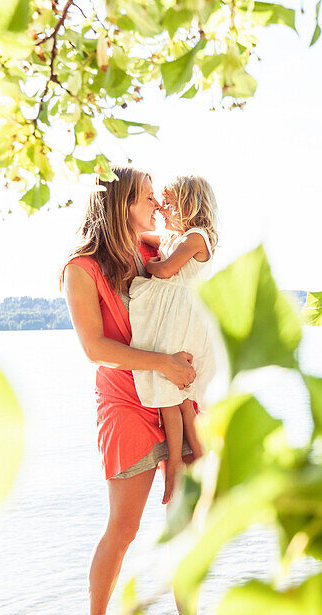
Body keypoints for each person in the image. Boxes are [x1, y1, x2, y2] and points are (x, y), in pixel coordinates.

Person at [61, 165, 196, 615]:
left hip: (174, 397)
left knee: (183, 516)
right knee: (125, 526)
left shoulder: (153, 251)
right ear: (119, 204)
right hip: (125, 402)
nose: (156, 206)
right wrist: (162, 362)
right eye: (145, 198)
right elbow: (95, 349)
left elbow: (200, 249)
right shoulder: (81, 270)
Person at [129, 174, 219, 497]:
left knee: (172, 392)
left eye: (168, 204)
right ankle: (199, 459)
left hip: (184, 322)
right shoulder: (179, 237)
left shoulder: (197, 238)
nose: (162, 210)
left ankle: (180, 467)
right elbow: (150, 236)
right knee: (179, 398)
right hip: (177, 320)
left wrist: (149, 266)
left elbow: (167, 270)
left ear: (188, 205)